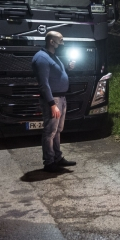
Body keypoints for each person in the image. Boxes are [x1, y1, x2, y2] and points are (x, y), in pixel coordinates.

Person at [31, 31, 77, 172]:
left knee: (57, 130)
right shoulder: (41, 58)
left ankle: (57, 157)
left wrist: (68, 69)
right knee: (50, 131)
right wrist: (52, 104)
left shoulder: (53, 57)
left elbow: (57, 77)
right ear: (52, 41)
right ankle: (49, 162)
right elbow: (44, 84)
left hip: (61, 98)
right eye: (60, 40)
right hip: (54, 100)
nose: (62, 43)